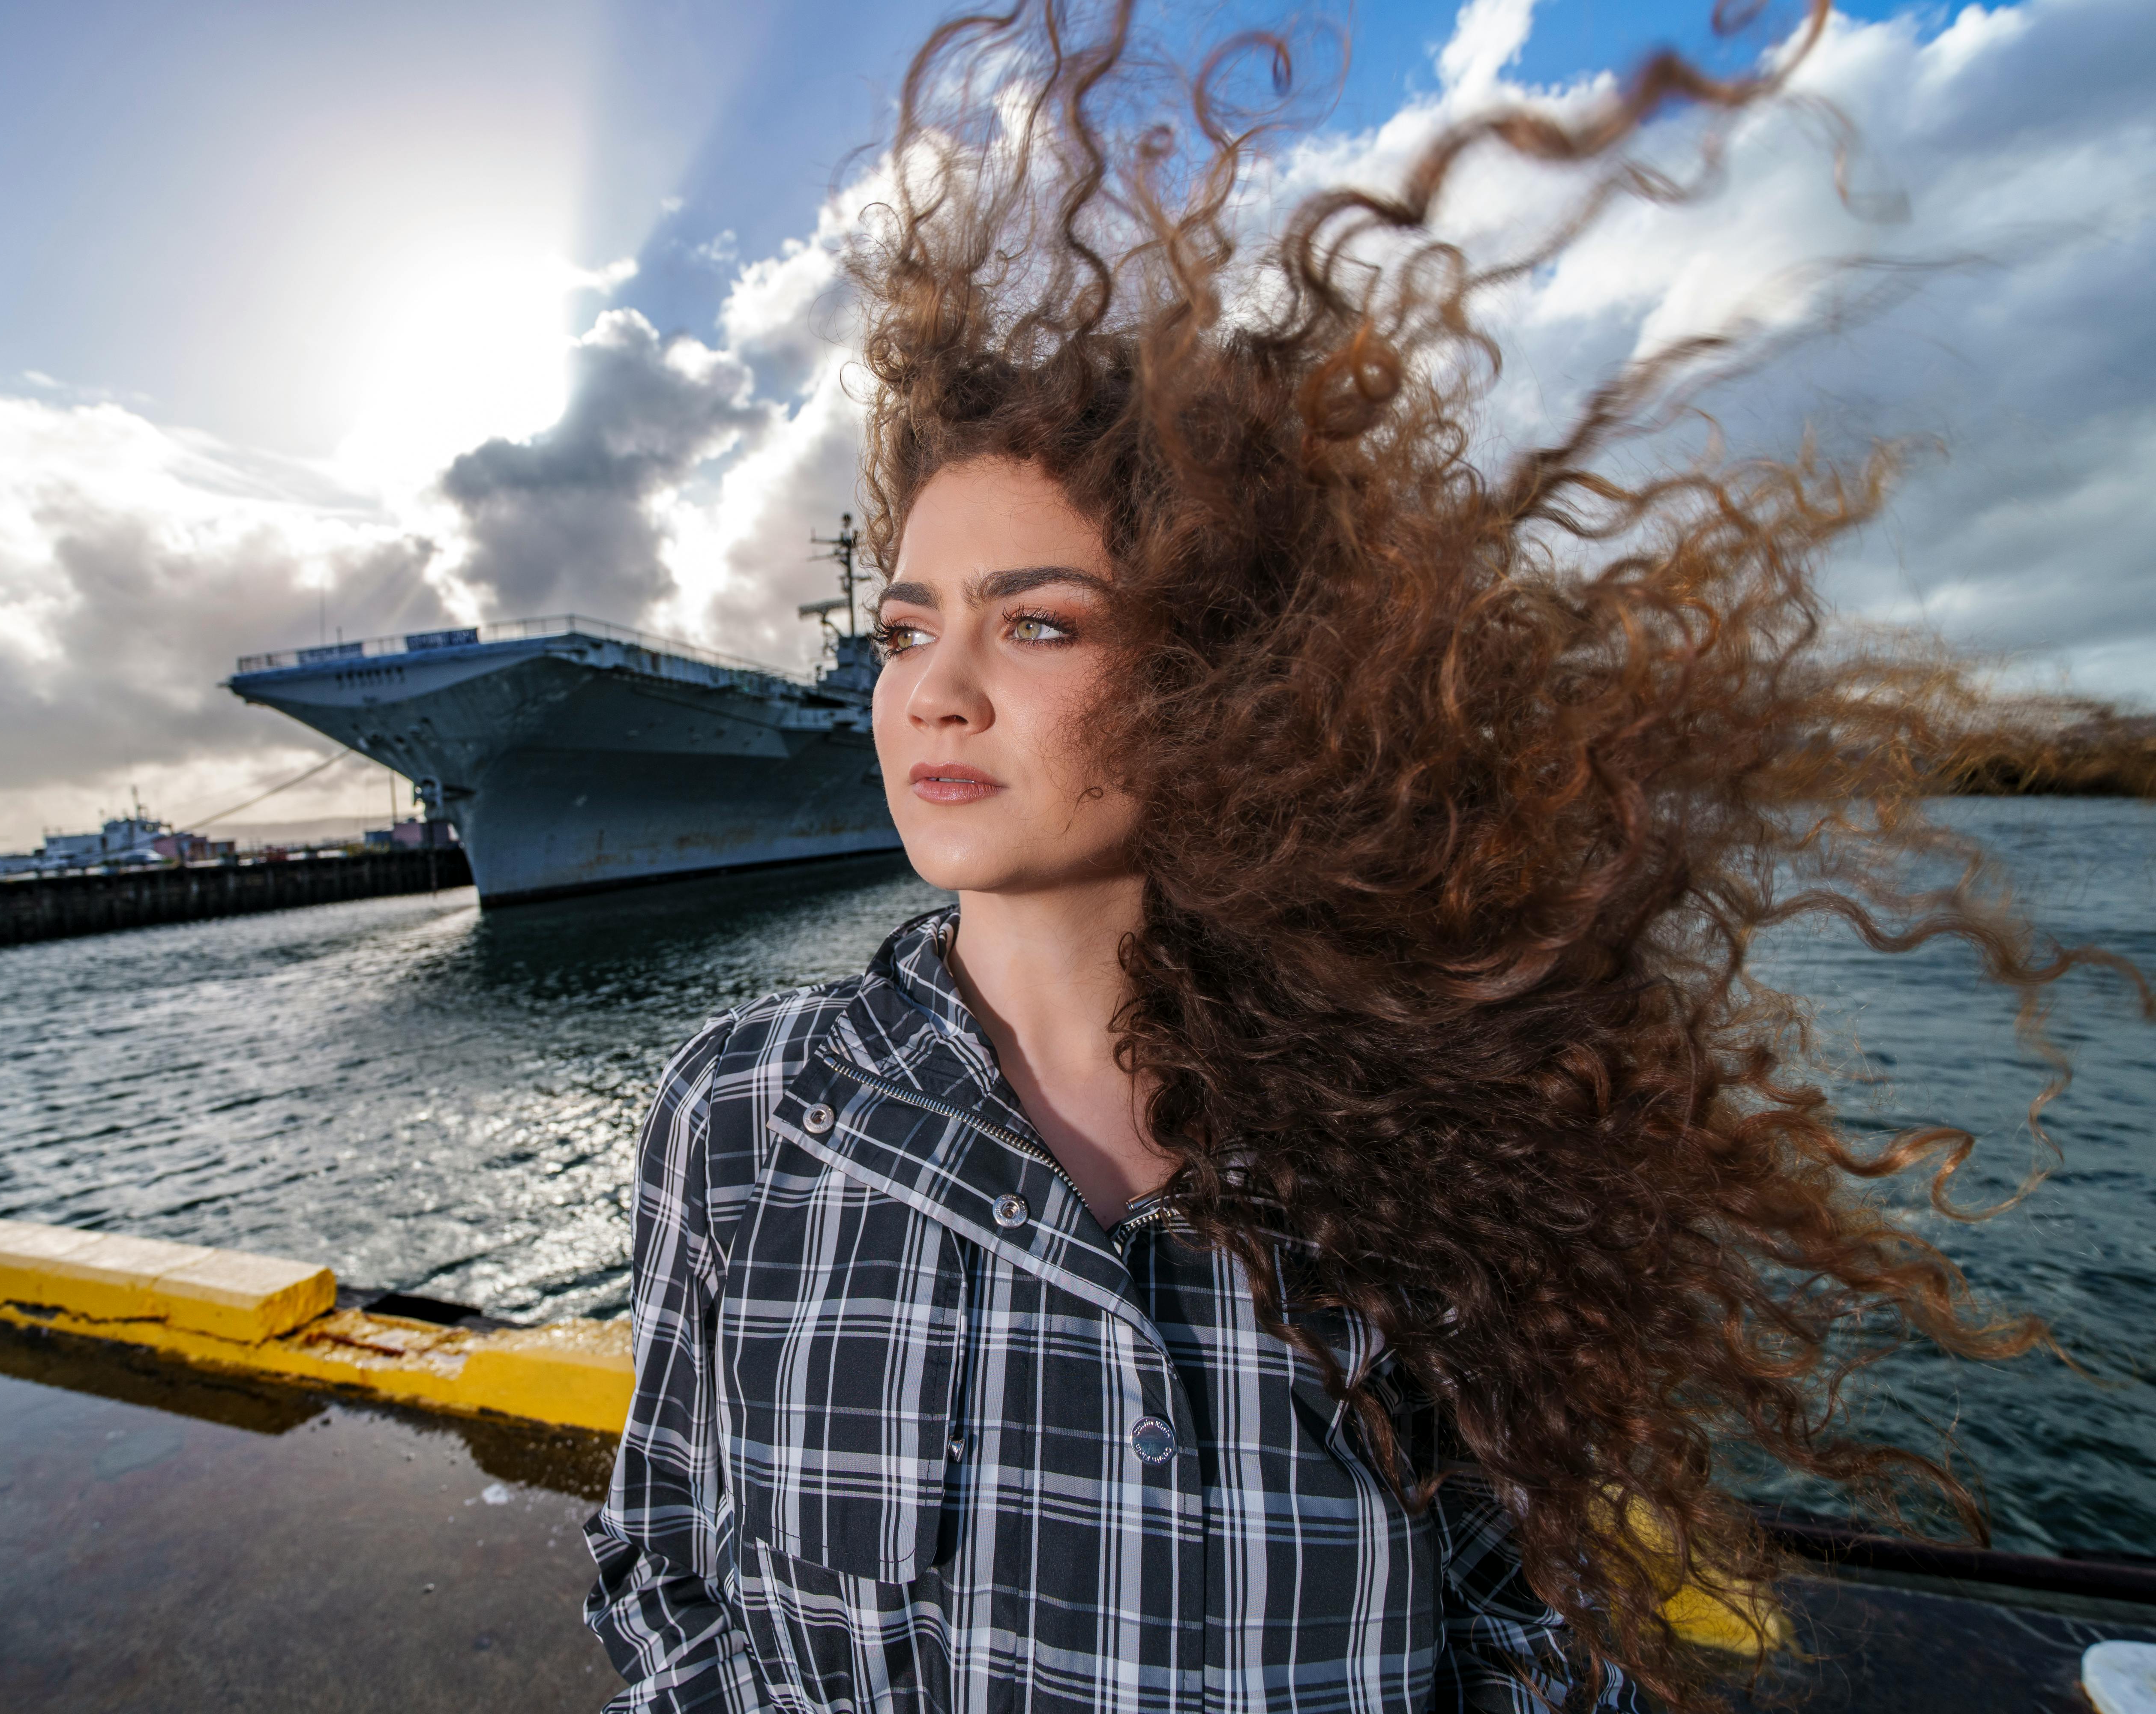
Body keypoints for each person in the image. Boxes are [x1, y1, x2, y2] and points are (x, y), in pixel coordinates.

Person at [583, 3, 2135, 1709]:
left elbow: (1539, 1654)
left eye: (1035, 626)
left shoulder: (1413, 1146)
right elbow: (665, 1564)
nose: (935, 692)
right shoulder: (734, 1119)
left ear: (1222, 680)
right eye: (901, 629)